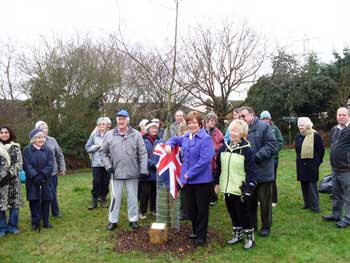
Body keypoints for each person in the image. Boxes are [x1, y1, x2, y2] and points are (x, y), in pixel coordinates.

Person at [165, 111, 214, 246]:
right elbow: (175, 139)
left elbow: (205, 160)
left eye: (194, 122)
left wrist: (189, 173)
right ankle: (194, 230)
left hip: (202, 181)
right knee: (190, 208)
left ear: (200, 124)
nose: (192, 125)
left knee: (202, 209)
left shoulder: (205, 139)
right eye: (189, 123)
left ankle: (201, 235)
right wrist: (169, 144)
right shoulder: (187, 137)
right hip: (187, 181)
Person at [215, 119, 258, 249]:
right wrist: (216, 183)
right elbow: (218, 167)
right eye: (231, 130)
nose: (233, 133)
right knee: (232, 212)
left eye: (236, 131)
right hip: (227, 188)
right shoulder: (224, 147)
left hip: (240, 189)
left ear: (242, 133)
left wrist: (249, 188)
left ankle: (250, 238)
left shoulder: (247, 150)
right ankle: (237, 235)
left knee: (243, 214)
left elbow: (252, 171)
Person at [102, 109, 148, 230]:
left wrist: (143, 169)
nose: (121, 121)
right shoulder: (109, 135)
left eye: (123, 119)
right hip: (116, 172)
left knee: (132, 198)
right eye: (119, 119)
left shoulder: (136, 134)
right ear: (116, 120)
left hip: (132, 172)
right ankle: (113, 220)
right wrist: (108, 167)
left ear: (128, 120)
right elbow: (103, 153)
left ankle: (133, 220)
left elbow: (143, 153)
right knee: (115, 198)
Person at [239, 106, 277, 237]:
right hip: (249, 173)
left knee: (265, 202)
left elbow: (272, 145)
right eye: (240, 117)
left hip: (263, 171)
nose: (241, 119)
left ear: (251, 114)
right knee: (250, 201)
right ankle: (252, 224)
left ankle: (266, 226)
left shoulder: (264, 127)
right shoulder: (241, 129)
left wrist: (256, 157)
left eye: (243, 116)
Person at [323, 107, 350, 228]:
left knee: (348, 196)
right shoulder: (334, 129)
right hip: (335, 168)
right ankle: (336, 214)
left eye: (344, 115)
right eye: (339, 115)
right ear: (337, 116)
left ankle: (348, 218)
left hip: (347, 169)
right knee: (336, 193)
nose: (341, 117)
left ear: (348, 116)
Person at [23, 129, 54, 230]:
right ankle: (35, 222)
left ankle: (45, 221)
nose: (41, 139)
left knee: (46, 200)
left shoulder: (48, 150)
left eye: (42, 137)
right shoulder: (27, 150)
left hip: (46, 180)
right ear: (33, 139)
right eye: (39, 137)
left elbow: (50, 164)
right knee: (34, 200)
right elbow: (27, 165)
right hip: (32, 181)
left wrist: (43, 175)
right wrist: (35, 176)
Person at [35, 121, 66, 218]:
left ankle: (55, 212)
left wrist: (62, 168)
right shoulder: (34, 141)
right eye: (42, 129)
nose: (44, 131)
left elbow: (59, 155)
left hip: (52, 172)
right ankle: (41, 213)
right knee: (40, 194)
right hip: (39, 173)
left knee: (52, 192)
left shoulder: (52, 140)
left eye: (46, 128)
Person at [295, 117, 324, 213]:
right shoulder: (298, 136)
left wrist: (317, 162)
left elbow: (321, 150)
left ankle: (315, 206)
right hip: (301, 164)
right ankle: (307, 204)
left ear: (307, 125)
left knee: (312, 185)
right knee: (304, 184)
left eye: (302, 125)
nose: (300, 127)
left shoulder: (315, 135)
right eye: (299, 125)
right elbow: (297, 150)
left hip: (312, 164)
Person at [0, 126, 23, 237]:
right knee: (1, 206)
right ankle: (2, 228)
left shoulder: (15, 147)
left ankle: (13, 226)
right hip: (0, 183)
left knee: (14, 205)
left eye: (6, 132)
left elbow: (19, 163)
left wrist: (9, 175)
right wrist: (1, 177)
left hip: (13, 180)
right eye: (2, 132)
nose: (4, 134)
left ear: (10, 134)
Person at [260, 111, 284, 207]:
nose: (266, 120)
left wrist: (272, 152)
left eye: (267, 119)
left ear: (270, 119)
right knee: (260, 180)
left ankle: (273, 200)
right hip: (261, 159)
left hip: (273, 159)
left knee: (272, 179)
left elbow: (280, 142)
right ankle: (261, 199)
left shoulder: (275, 129)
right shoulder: (259, 129)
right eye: (264, 119)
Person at [85, 117, 110, 210]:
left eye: (104, 124)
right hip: (96, 163)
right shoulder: (94, 136)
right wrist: (97, 146)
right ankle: (94, 201)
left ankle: (103, 199)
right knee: (96, 182)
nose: (102, 126)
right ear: (97, 126)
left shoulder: (110, 135)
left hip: (107, 163)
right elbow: (87, 148)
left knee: (105, 182)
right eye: (100, 124)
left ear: (106, 125)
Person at [139, 121, 162, 219]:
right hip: (147, 170)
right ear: (148, 130)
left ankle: (153, 210)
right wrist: (151, 163)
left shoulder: (160, 141)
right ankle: (142, 211)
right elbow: (141, 154)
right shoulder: (143, 140)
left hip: (157, 171)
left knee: (155, 192)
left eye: (156, 128)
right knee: (145, 192)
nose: (154, 130)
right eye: (152, 128)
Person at [204, 112, 224, 206]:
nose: (213, 123)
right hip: (205, 159)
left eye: (214, 121)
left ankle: (213, 197)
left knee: (214, 178)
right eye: (211, 120)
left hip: (214, 159)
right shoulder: (202, 130)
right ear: (207, 121)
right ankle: (206, 197)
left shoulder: (217, 132)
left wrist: (216, 147)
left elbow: (222, 143)